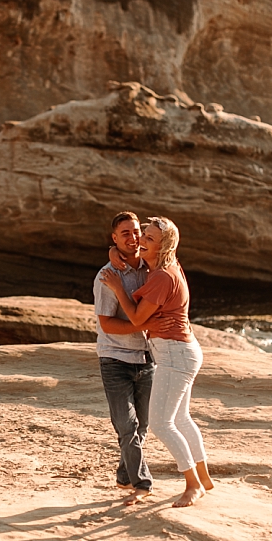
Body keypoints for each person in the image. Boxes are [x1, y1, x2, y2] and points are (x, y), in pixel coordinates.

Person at [101, 215, 213, 508]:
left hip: (175, 355)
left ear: (162, 246)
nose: (140, 241)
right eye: (143, 235)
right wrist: (115, 253)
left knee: (163, 424)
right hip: (183, 351)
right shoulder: (167, 264)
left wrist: (117, 289)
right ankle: (204, 476)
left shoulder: (162, 276)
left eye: (148, 238)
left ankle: (192, 484)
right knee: (181, 419)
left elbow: (138, 318)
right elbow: (126, 252)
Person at [93, 210, 155, 503]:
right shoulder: (108, 275)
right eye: (125, 234)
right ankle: (142, 484)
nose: (132, 238)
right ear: (114, 238)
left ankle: (123, 476)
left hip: (147, 358)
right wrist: (140, 324)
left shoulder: (151, 268)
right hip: (114, 358)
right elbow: (106, 323)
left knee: (141, 426)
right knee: (127, 426)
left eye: (136, 232)